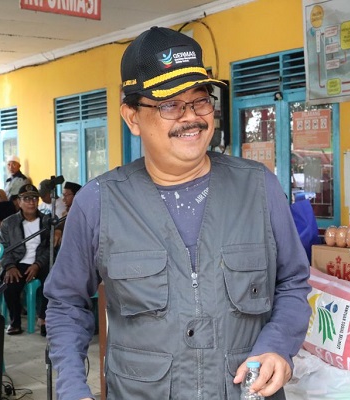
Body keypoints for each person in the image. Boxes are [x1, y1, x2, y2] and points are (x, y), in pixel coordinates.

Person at [44, 26, 312, 400]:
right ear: (132, 117)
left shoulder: (258, 187)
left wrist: (278, 345)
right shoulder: (99, 202)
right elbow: (66, 304)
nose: (191, 118)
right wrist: (73, 388)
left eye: (200, 101)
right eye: (169, 104)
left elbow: (293, 282)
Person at [0, 184, 51, 336]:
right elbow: (3, 248)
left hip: (40, 262)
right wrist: (9, 266)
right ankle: (15, 322)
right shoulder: (8, 223)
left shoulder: (47, 221)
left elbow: (50, 249)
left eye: (34, 198)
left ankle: (44, 319)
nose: (31, 202)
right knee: (10, 283)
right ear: (19, 202)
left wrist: (37, 264)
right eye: (26, 199)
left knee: (52, 280)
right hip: (17, 262)